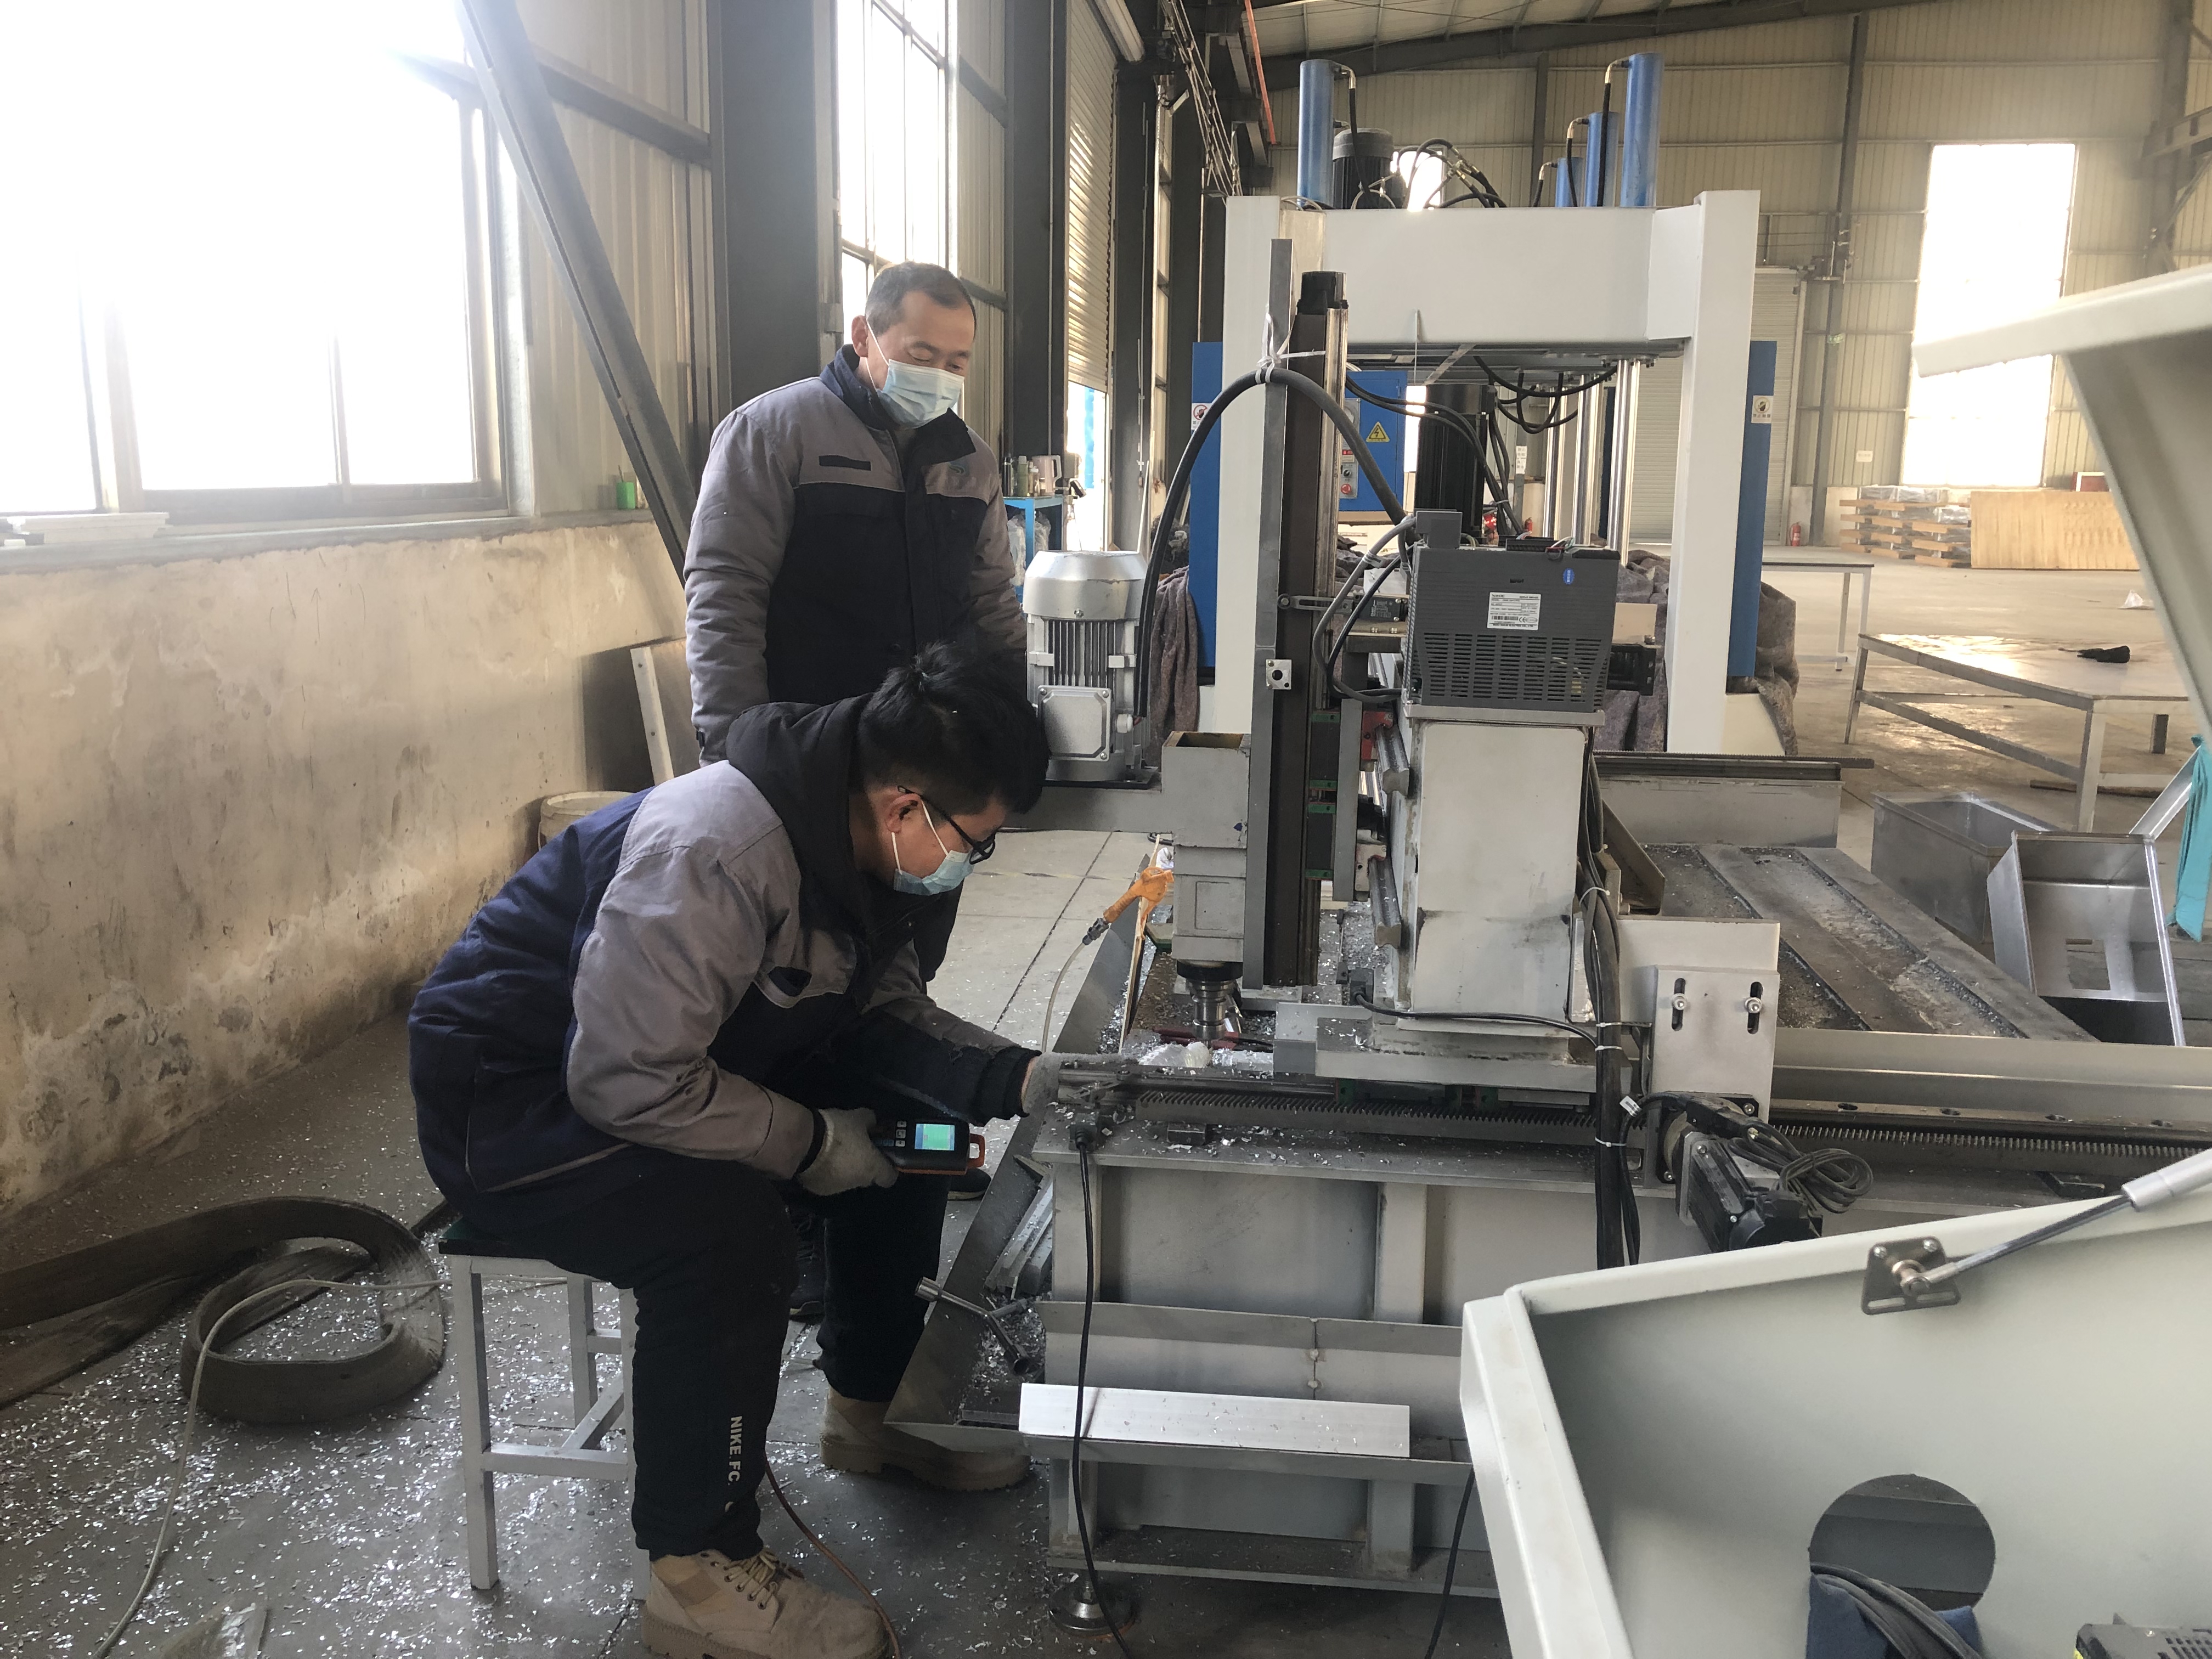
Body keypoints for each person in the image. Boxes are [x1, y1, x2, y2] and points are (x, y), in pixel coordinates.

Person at [409, 644, 1051, 1659]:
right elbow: (624, 1080)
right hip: (517, 1104)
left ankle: (871, 1405)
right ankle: (696, 1570)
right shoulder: (716, 850)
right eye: (979, 841)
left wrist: (1016, 1077)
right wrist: (805, 1142)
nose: (975, 861)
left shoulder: (864, 850)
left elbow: (879, 1016)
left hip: (659, 1062)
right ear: (907, 806)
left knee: (908, 1133)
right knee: (730, 1240)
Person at [683, 259, 1030, 1304]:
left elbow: (994, 604)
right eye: (922, 353)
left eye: (957, 361)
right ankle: (790, 1205)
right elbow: (725, 593)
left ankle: (897, 1153)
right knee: (788, 996)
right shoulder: (776, 433)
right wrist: (735, 756)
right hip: (809, 783)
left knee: (898, 976)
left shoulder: (968, 459)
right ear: (865, 336)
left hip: (920, 780)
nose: (941, 376)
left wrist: (1006, 738)